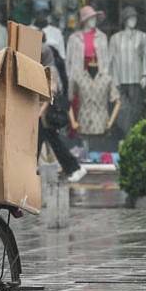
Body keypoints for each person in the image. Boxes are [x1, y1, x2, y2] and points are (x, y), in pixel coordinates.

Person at [39, 37, 85, 182]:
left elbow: (51, 93)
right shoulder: (46, 68)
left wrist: (39, 112)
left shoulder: (50, 70)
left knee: (52, 143)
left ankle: (74, 168)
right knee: (51, 142)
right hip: (43, 116)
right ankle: (73, 168)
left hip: (46, 115)